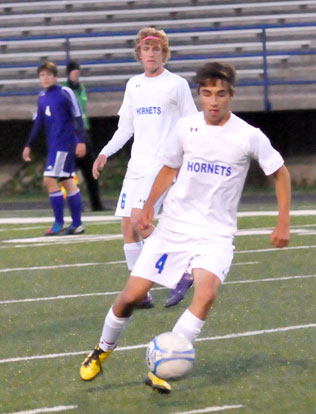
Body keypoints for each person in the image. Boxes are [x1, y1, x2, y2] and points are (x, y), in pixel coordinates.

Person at [80, 61, 291, 393]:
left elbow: (280, 173)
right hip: (173, 230)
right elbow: (168, 168)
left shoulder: (248, 136)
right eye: (207, 94)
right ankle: (103, 349)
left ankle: (163, 364)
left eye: (221, 94)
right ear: (200, 95)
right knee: (130, 297)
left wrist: (283, 222)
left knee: (205, 296)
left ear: (231, 95)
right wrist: (149, 205)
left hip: (216, 235)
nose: (214, 101)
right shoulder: (185, 128)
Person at [92, 27, 198, 308]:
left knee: (142, 221)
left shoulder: (176, 84)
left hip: (162, 166)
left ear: (164, 53)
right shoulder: (133, 85)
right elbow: (126, 127)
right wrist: (105, 152)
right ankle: (142, 292)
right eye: (146, 49)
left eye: (157, 49)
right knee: (128, 227)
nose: (151, 54)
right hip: (137, 166)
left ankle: (182, 272)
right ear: (139, 54)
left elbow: (192, 125)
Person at [22, 61, 86, 235]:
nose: (45, 78)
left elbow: (78, 116)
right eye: (42, 75)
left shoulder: (65, 92)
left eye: (48, 75)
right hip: (54, 145)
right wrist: (28, 144)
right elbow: (38, 123)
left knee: (49, 180)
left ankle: (58, 222)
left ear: (56, 77)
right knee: (67, 181)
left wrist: (81, 141)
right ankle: (77, 224)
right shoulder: (42, 97)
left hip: (64, 144)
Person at [63, 60, 105, 212]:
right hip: (71, 133)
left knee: (90, 170)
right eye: (74, 72)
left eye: (78, 72)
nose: (76, 75)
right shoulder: (64, 89)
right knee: (70, 173)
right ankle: (73, 205)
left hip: (84, 131)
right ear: (69, 73)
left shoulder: (81, 87)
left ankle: (96, 204)